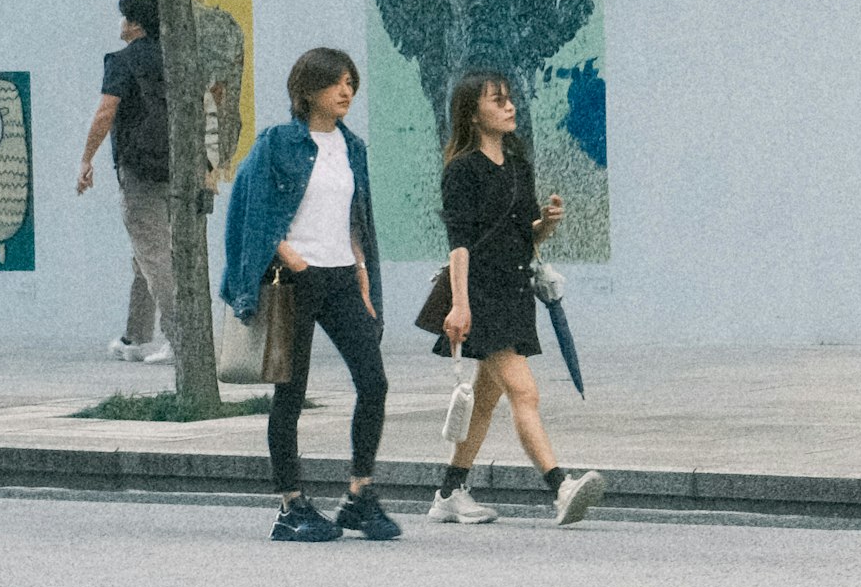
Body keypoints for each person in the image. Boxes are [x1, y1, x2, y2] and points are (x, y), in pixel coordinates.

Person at [220, 47, 399, 544]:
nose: (346, 92)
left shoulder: (351, 146)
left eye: (351, 83)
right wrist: (289, 255)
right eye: (337, 82)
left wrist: (362, 272)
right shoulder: (279, 142)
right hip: (295, 280)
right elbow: (250, 210)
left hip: (342, 277)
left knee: (374, 381)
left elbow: (355, 217)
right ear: (308, 89)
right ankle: (291, 506)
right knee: (290, 393)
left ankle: (359, 495)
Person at [428, 71, 604, 528]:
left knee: (486, 399)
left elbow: (524, 236)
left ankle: (450, 492)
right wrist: (460, 304)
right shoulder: (462, 170)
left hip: (514, 288)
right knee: (524, 390)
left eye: (510, 100)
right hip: (481, 292)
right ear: (473, 113)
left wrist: (547, 223)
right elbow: (460, 244)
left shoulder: (517, 162)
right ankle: (560, 486)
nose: (509, 107)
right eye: (497, 101)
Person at [74, 0, 176, 363]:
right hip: (177, 168)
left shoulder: (122, 61)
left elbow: (106, 112)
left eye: (124, 17)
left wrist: (86, 159)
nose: (120, 23)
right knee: (146, 253)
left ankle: (181, 338)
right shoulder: (175, 58)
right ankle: (135, 337)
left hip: (140, 169)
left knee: (154, 252)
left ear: (133, 24)